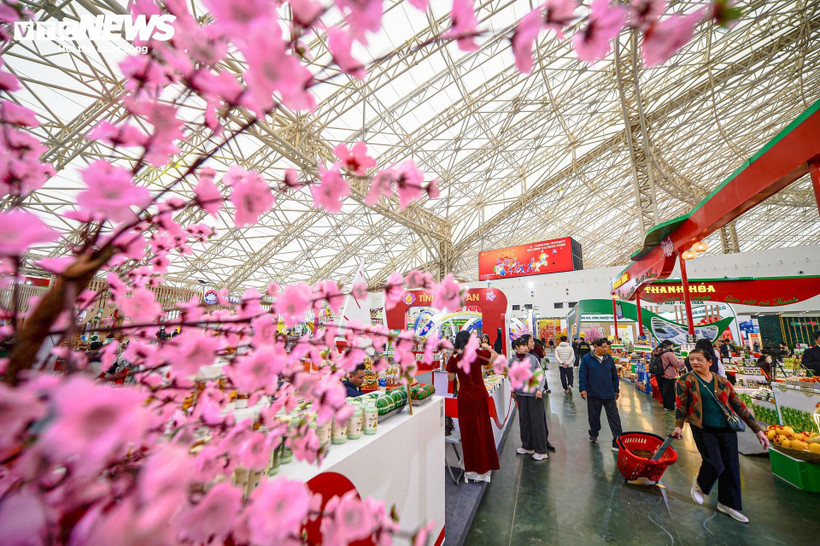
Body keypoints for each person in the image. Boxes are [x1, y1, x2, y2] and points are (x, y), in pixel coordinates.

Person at [672, 348, 769, 524]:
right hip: (702, 427)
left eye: (699, 359)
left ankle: (728, 504)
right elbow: (681, 405)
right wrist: (678, 426)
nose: (694, 363)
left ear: (710, 362)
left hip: (726, 428)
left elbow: (739, 406)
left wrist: (758, 430)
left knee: (731, 467)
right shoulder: (685, 381)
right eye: (691, 359)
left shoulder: (723, 382)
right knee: (714, 463)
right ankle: (701, 483)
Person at [448, 331, 500, 482]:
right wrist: (487, 347)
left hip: (465, 396)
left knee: (469, 431)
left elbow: (451, 378)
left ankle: (470, 469)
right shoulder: (477, 353)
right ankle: (484, 468)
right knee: (483, 429)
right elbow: (495, 357)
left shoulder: (454, 357)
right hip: (480, 394)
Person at [509, 335, 550, 460]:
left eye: (527, 345)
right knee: (524, 421)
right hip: (521, 395)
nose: (526, 348)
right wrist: (513, 390)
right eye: (523, 345)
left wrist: (539, 389)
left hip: (534, 395)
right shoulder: (512, 361)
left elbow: (540, 375)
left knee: (537, 423)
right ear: (516, 347)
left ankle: (541, 450)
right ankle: (527, 446)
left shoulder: (533, 359)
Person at [579, 338, 622, 451]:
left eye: (605, 346)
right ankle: (593, 434)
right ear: (595, 346)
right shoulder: (587, 359)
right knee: (594, 417)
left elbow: (614, 375)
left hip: (609, 394)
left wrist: (616, 389)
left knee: (614, 418)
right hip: (594, 394)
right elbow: (582, 375)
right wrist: (583, 389)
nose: (605, 349)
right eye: (602, 347)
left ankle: (617, 441)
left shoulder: (609, 358)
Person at [656, 341, 684, 411]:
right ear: (669, 345)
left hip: (659, 374)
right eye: (672, 345)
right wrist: (684, 361)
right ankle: (670, 407)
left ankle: (666, 406)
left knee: (664, 391)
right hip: (669, 375)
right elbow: (676, 364)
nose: (672, 347)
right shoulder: (669, 353)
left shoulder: (657, 352)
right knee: (670, 391)